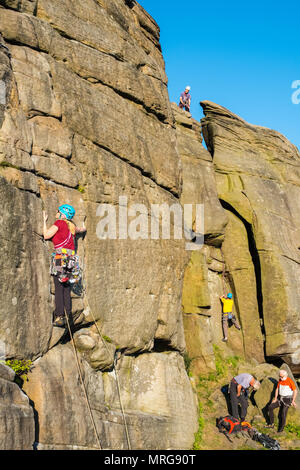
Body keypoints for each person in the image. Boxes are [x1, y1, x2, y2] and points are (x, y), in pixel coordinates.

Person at [43, 204, 86, 327]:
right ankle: (68, 314)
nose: (56, 213)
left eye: (58, 211)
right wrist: (84, 225)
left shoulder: (59, 223)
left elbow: (46, 235)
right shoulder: (72, 226)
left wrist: (43, 221)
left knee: (59, 286)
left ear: (62, 214)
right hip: (71, 259)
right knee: (66, 287)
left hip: (59, 257)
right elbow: (81, 230)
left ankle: (60, 316)